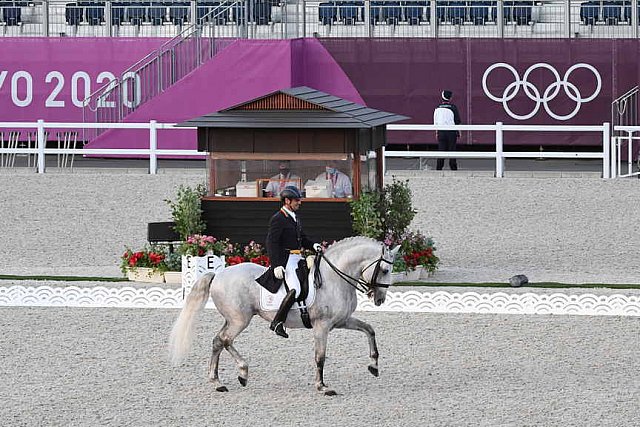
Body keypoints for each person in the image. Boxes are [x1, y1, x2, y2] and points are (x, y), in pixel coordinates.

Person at [265, 186, 323, 338]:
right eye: (297, 200)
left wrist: (313, 245)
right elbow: (272, 243)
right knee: (295, 289)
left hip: (298, 256)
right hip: (286, 259)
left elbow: (302, 238)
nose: (300, 202)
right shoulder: (278, 218)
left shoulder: (294, 217)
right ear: (287, 201)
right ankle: (277, 321)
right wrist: (276, 264)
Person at [433, 89, 461, 171]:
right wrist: (459, 132)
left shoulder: (437, 108)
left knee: (441, 150)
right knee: (452, 150)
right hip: (451, 132)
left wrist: (436, 132)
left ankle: (439, 168)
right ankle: (453, 168)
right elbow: (457, 121)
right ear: (450, 98)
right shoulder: (453, 107)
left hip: (441, 131)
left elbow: (436, 122)